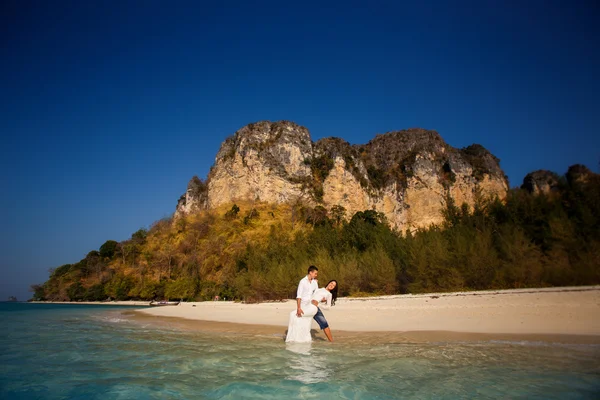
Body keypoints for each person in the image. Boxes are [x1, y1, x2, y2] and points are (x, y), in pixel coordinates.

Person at [286, 278, 338, 343]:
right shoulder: (320, 289)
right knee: (298, 317)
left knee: (324, 324)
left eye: (333, 285)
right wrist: (314, 282)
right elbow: (311, 292)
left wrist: (318, 304)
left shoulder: (329, 294)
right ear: (329, 283)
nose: (331, 285)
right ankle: (295, 337)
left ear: (334, 288)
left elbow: (328, 307)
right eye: (331, 283)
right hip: (307, 306)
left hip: (314, 308)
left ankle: (332, 341)